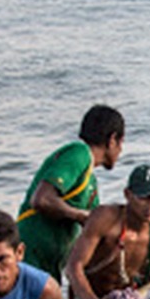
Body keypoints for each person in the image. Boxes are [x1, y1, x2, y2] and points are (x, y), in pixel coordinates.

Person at [16, 104, 126, 282]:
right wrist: (80, 215)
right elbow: (42, 199)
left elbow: (95, 227)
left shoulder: (91, 182)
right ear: (112, 140)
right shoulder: (79, 153)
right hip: (30, 257)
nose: (121, 150)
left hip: (49, 265)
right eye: (121, 143)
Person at [65, 164, 150, 299]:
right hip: (90, 295)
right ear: (128, 195)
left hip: (128, 296)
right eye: (144, 198)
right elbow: (73, 266)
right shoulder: (105, 218)